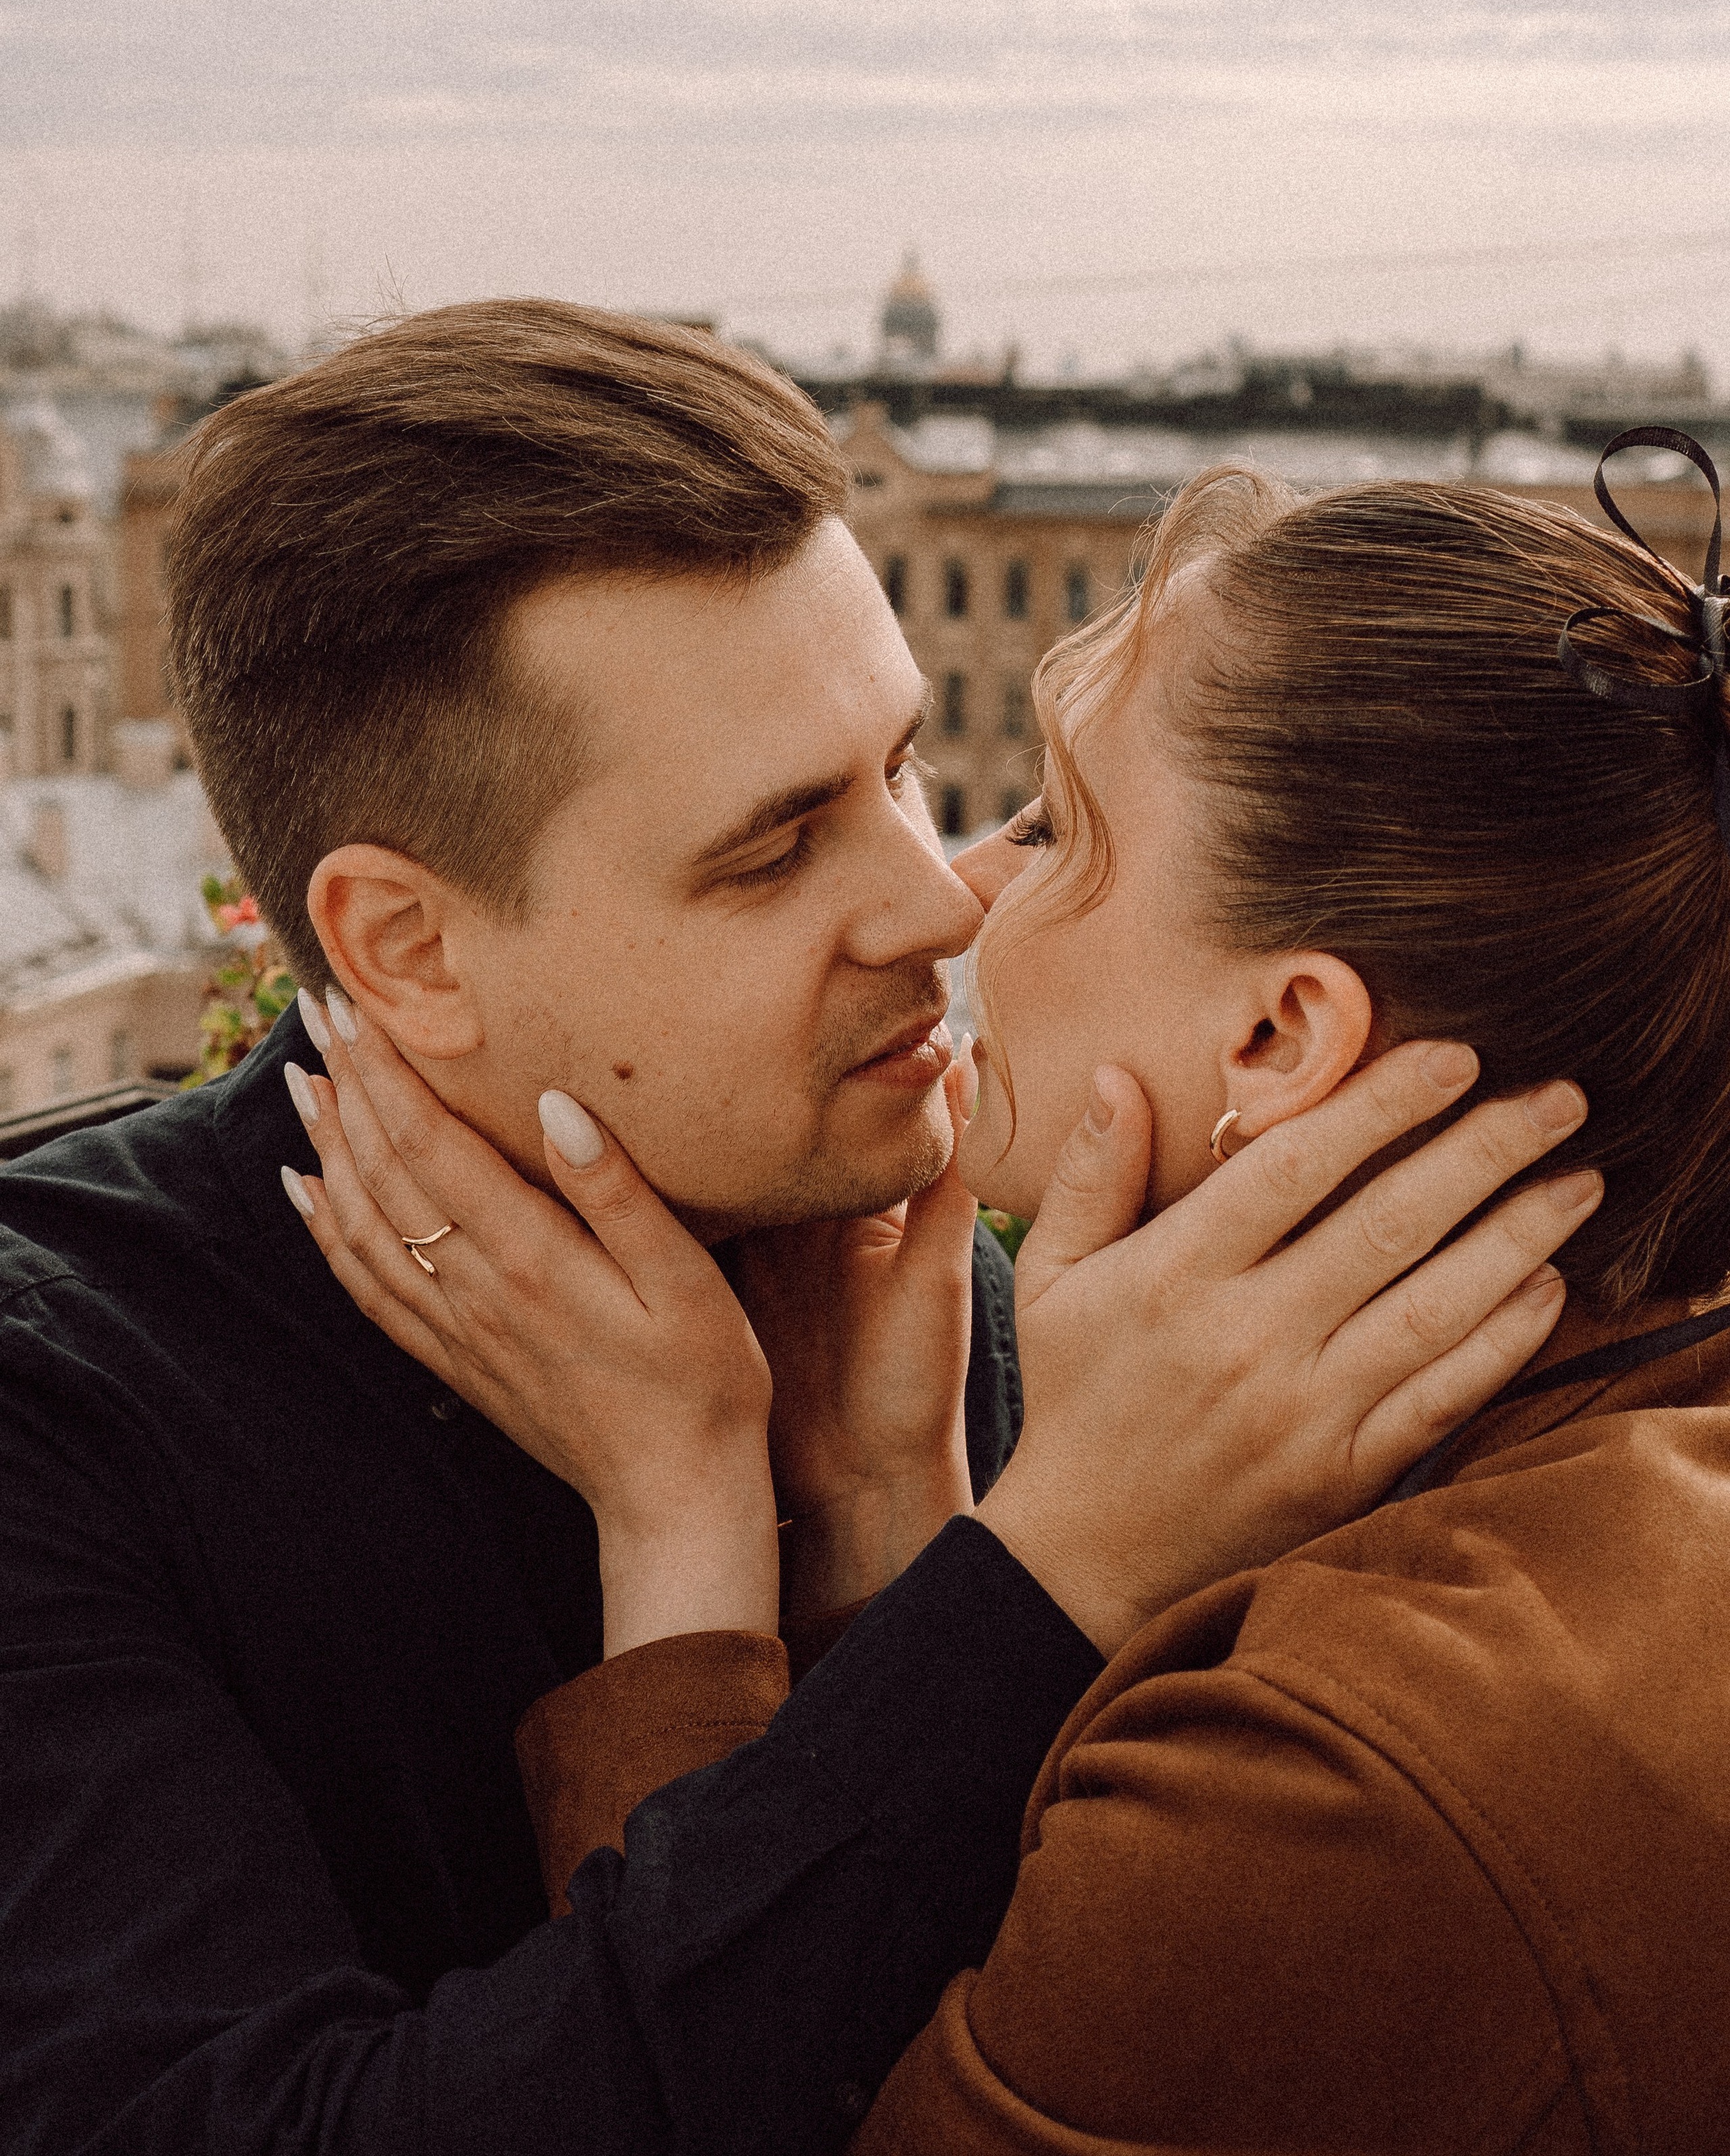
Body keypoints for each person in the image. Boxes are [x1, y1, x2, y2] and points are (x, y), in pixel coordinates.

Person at [0, 302, 1586, 2156]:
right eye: (777, 846)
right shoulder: (60, 1415)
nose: (939, 900)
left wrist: (874, 1551)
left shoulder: (939, 1278)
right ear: (406, 952)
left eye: (907, 766)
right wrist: (1037, 1582)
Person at [313, 430, 1730, 2151]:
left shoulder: (1341, 1777)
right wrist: (895, 1537)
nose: (952, 888)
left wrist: (684, 1524)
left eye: (1054, 827)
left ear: (1276, 1038)